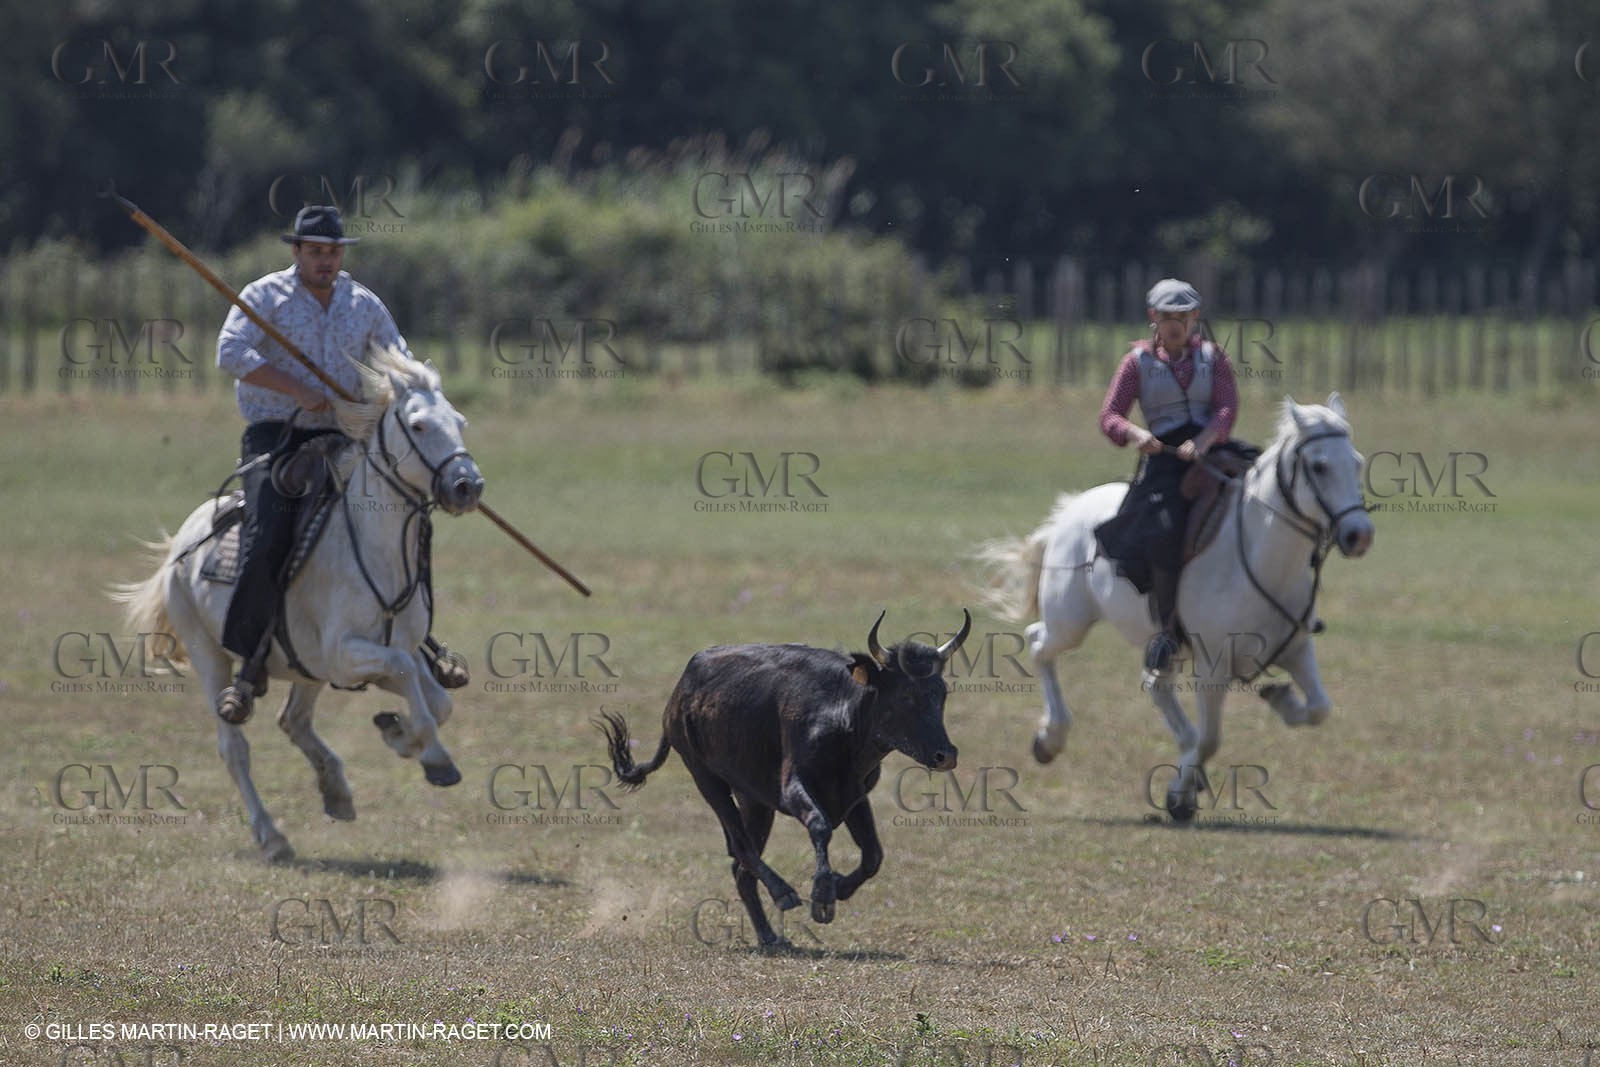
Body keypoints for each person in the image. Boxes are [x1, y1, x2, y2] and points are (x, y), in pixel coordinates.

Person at [212, 204, 468, 724]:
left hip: (348, 439)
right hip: (277, 438)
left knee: (403, 520)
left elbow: (399, 360)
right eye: (316, 252)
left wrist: (397, 391)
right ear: (297, 252)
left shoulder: (362, 304)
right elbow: (230, 352)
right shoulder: (265, 297)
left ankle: (418, 640)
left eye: (333, 252)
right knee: (268, 535)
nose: (326, 261)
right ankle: (250, 662)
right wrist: (297, 388)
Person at [1095, 278, 1240, 674]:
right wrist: (1135, 434)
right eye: (1166, 316)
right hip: (1163, 460)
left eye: (1183, 316)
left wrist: (1208, 439)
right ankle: (1167, 632)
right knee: (1163, 531)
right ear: (1152, 318)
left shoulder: (1215, 358)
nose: (1175, 324)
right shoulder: (1136, 363)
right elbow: (1110, 416)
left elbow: (1226, 409)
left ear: (1195, 317)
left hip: (1211, 452)